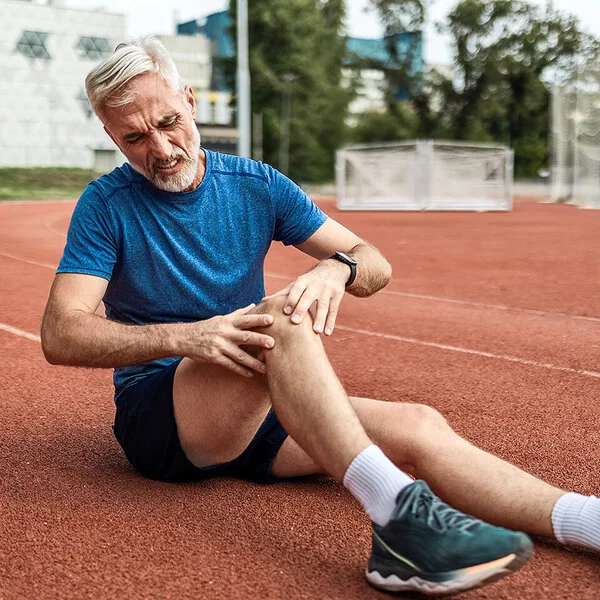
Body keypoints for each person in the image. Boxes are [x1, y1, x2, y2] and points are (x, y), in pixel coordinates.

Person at [41, 37, 599, 597]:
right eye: (135, 138)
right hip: (163, 416)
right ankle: (399, 522)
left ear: (189, 100)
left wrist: (339, 269)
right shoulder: (105, 205)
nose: (161, 149)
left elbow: (372, 261)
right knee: (280, 320)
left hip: (256, 401)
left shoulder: (255, 185)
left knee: (420, 425)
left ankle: (586, 521)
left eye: (169, 122)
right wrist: (193, 338)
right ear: (112, 137)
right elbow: (62, 333)